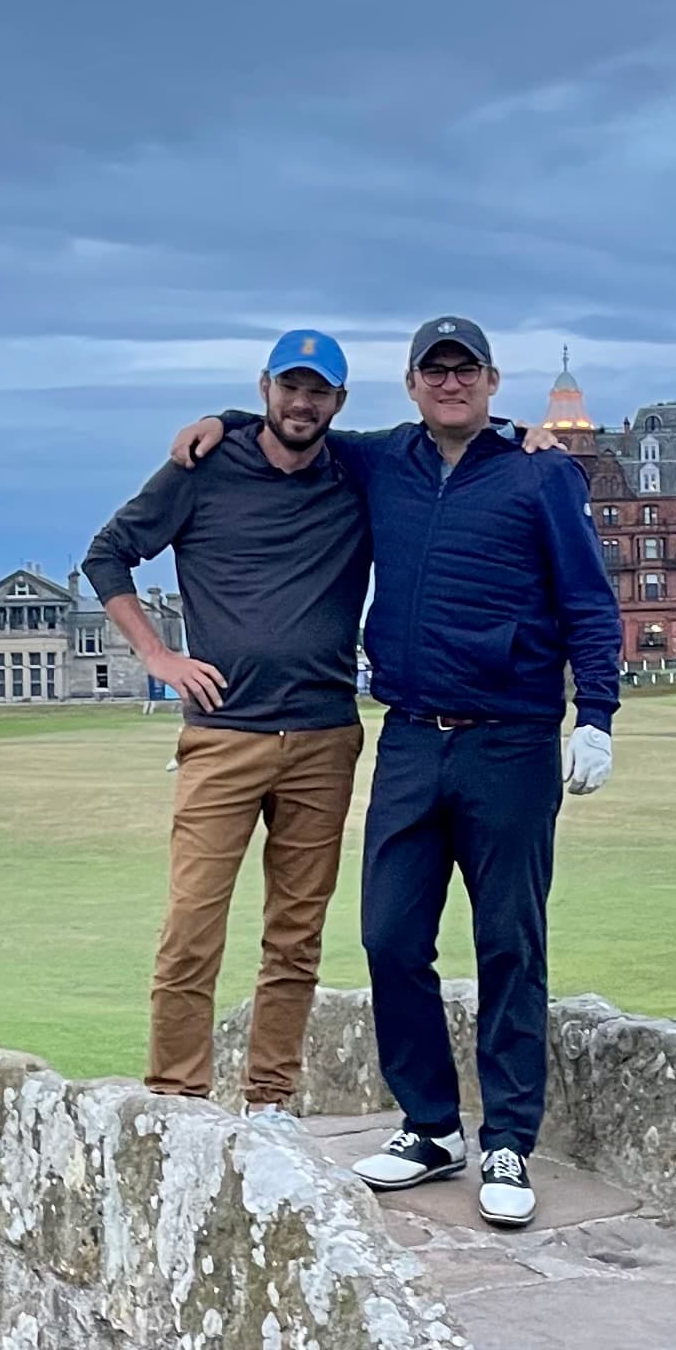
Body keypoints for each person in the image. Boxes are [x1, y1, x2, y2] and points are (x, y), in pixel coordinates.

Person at [173, 316, 621, 1228]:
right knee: (387, 937)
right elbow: (300, 424)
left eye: (465, 371)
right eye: (433, 371)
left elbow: (587, 601)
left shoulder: (540, 473)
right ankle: (429, 1124)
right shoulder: (383, 461)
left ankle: (505, 1137)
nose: (449, 384)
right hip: (413, 736)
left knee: (508, 943)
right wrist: (224, 418)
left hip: (511, 738)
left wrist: (598, 717)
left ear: (491, 382)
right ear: (411, 385)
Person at [83, 332, 370, 1117]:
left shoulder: (357, 470)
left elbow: (443, 436)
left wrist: (525, 434)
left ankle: (270, 1101)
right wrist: (158, 656)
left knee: (295, 936)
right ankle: (178, 1101)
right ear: (266, 387)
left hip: (323, 737)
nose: (301, 403)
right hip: (223, 736)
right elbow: (107, 555)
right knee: (191, 926)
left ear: (338, 403)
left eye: (318, 392)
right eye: (288, 387)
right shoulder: (201, 469)